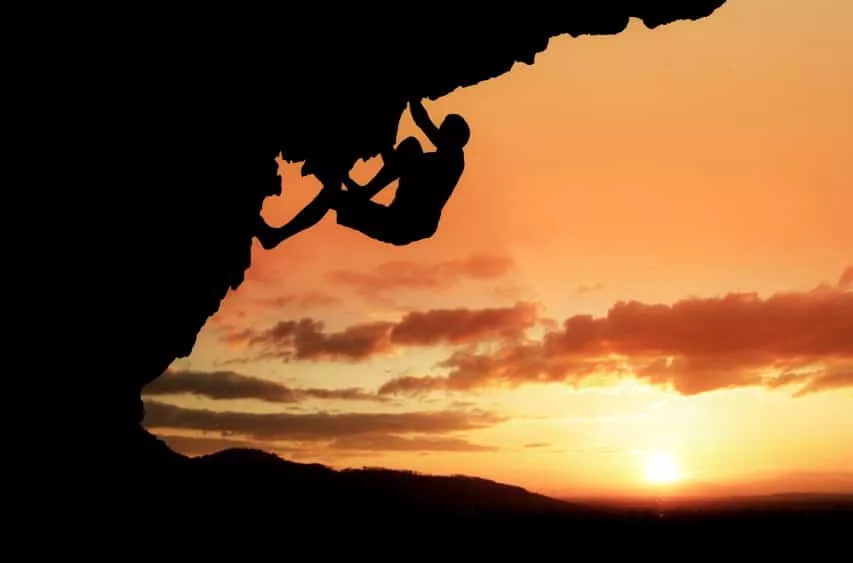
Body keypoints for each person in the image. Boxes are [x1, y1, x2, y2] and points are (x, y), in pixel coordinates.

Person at [256, 98, 470, 249]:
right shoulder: (448, 152)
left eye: (443, 129)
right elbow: (422, 122)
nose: (437, 132)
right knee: (332, 194)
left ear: (451, 136)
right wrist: (412, 98)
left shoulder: (450, 162)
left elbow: (406, 158)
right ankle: (275, 236)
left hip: (399, 226)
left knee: (410, 147)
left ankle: (276, 236)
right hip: (396, 220)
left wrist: (386, 151)